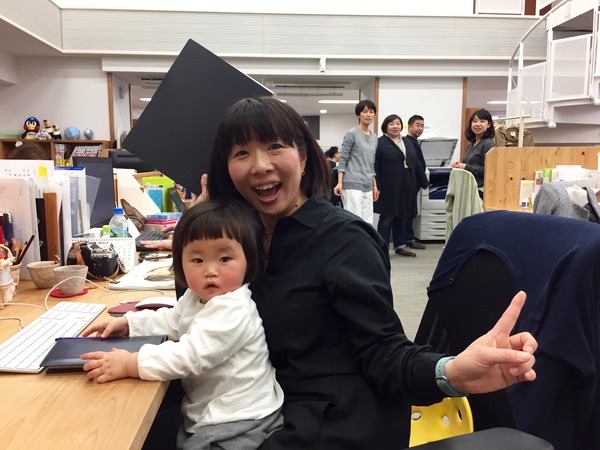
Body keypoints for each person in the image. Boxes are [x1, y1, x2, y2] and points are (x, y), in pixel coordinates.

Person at [206, 96, 537, 449]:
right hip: (261, 407)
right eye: (242, 153)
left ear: (302, 156)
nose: (260, 165)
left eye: (274, 146)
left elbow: (383, 350)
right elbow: (207, 319)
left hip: (333, 421)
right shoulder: (239, 239)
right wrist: (199, 240)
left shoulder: (343, 240)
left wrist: (450, 372)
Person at [81, 200, 284, 450]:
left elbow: (189, 355)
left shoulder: (233, 308)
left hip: (241, 418)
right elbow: (172, 320)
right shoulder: (195, 296)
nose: (210, 271)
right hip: (213, 412)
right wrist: (129, 324)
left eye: (224, 258)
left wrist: (130, 363)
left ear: (247, 261)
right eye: (197, 260)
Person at [374, 114, 418, 257]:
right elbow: (375, 166)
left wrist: (423, 182)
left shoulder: (406, 141)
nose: (395, 126)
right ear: (385, 126)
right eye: (391, 124)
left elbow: (414, 162)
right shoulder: (380, 143)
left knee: (402, 215)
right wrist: (377, 185)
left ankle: (401, 245)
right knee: (387, 216)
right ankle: (382, 247)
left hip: (405, 184)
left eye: (398, 123)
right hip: (388, 185)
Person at [333, 99, 379, 223]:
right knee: (353, 221)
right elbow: (343, 160)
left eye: (371, 112)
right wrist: (340, 183)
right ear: (358, 115)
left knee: (368, 222)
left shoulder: (374, 138)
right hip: (352, 183)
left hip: (367, 184)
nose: (368, 115)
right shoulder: (351, 134)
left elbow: (371, 163)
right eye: (365, 111)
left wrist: (374, 186)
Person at [452, 108, 496, 190]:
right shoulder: (471, 144)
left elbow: (488, 171)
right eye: (475, 121)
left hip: (480, 189)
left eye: (482, 121)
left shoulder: (489, 145)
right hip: (469, 186)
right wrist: (459, 165)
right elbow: (471, 163)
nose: (478, 124)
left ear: (489, 124)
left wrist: (466, 166)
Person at [403, 114, 429, 250]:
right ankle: (408, 239)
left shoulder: (414, 142)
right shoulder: (408, 142)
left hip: (415, 182)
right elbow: (417, 164)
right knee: (408, 211)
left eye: (422, 126)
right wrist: (425, 182)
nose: (420, 128)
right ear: (409, 126)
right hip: (411, 182)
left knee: (410, 211)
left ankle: (408, 238)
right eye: (418, 125)